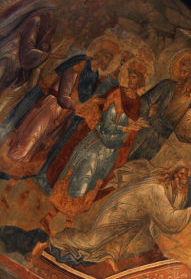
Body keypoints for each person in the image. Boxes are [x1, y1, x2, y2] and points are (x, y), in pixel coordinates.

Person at [31, 160, 191, 272]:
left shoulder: (175, 186)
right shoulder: (158, 190)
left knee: (128, 240)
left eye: (185, 176)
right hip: (121, 209)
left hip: (135, 216)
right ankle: (50, 242)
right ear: (171, 176)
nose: (183, 180)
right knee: (92, 240)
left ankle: (107, 256)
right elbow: (169, 220)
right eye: (180, 175)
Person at [0, 36, 121, 207]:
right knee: (27, 142)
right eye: (105, 55)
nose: (105, 60)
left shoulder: (94, 76)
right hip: (50, 106)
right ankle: (4, 176)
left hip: (63, 117)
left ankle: (7, 191)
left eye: (109, 58)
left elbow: (81, 100)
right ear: (98, 52)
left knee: (35, 151)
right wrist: (82, 106)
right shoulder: (80, 62)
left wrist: (86, 106)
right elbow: (65, 95)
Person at [40, 59, 152, 232]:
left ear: (141, 82)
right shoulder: (116, 93)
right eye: (130, 76)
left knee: (90, 184)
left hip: (110, 150)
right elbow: (106, 124)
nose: (131, 80)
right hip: (97, 142)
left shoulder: (138, 103)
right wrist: (128, 127)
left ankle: (68, 225)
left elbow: (128, 135)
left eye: (135, 77)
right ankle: (49, 217)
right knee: (78, 178)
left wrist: (129, 132)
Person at [127, 48, 191, 161]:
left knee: (140, 162)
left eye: (185, 72)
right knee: (128, 154)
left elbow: (184, 122)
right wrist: (143, 117)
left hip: (161, 136)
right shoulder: (167, 85)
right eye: (180, 70)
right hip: (148, 127)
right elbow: (146, 99)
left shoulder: (189, 97)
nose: (181, 74)